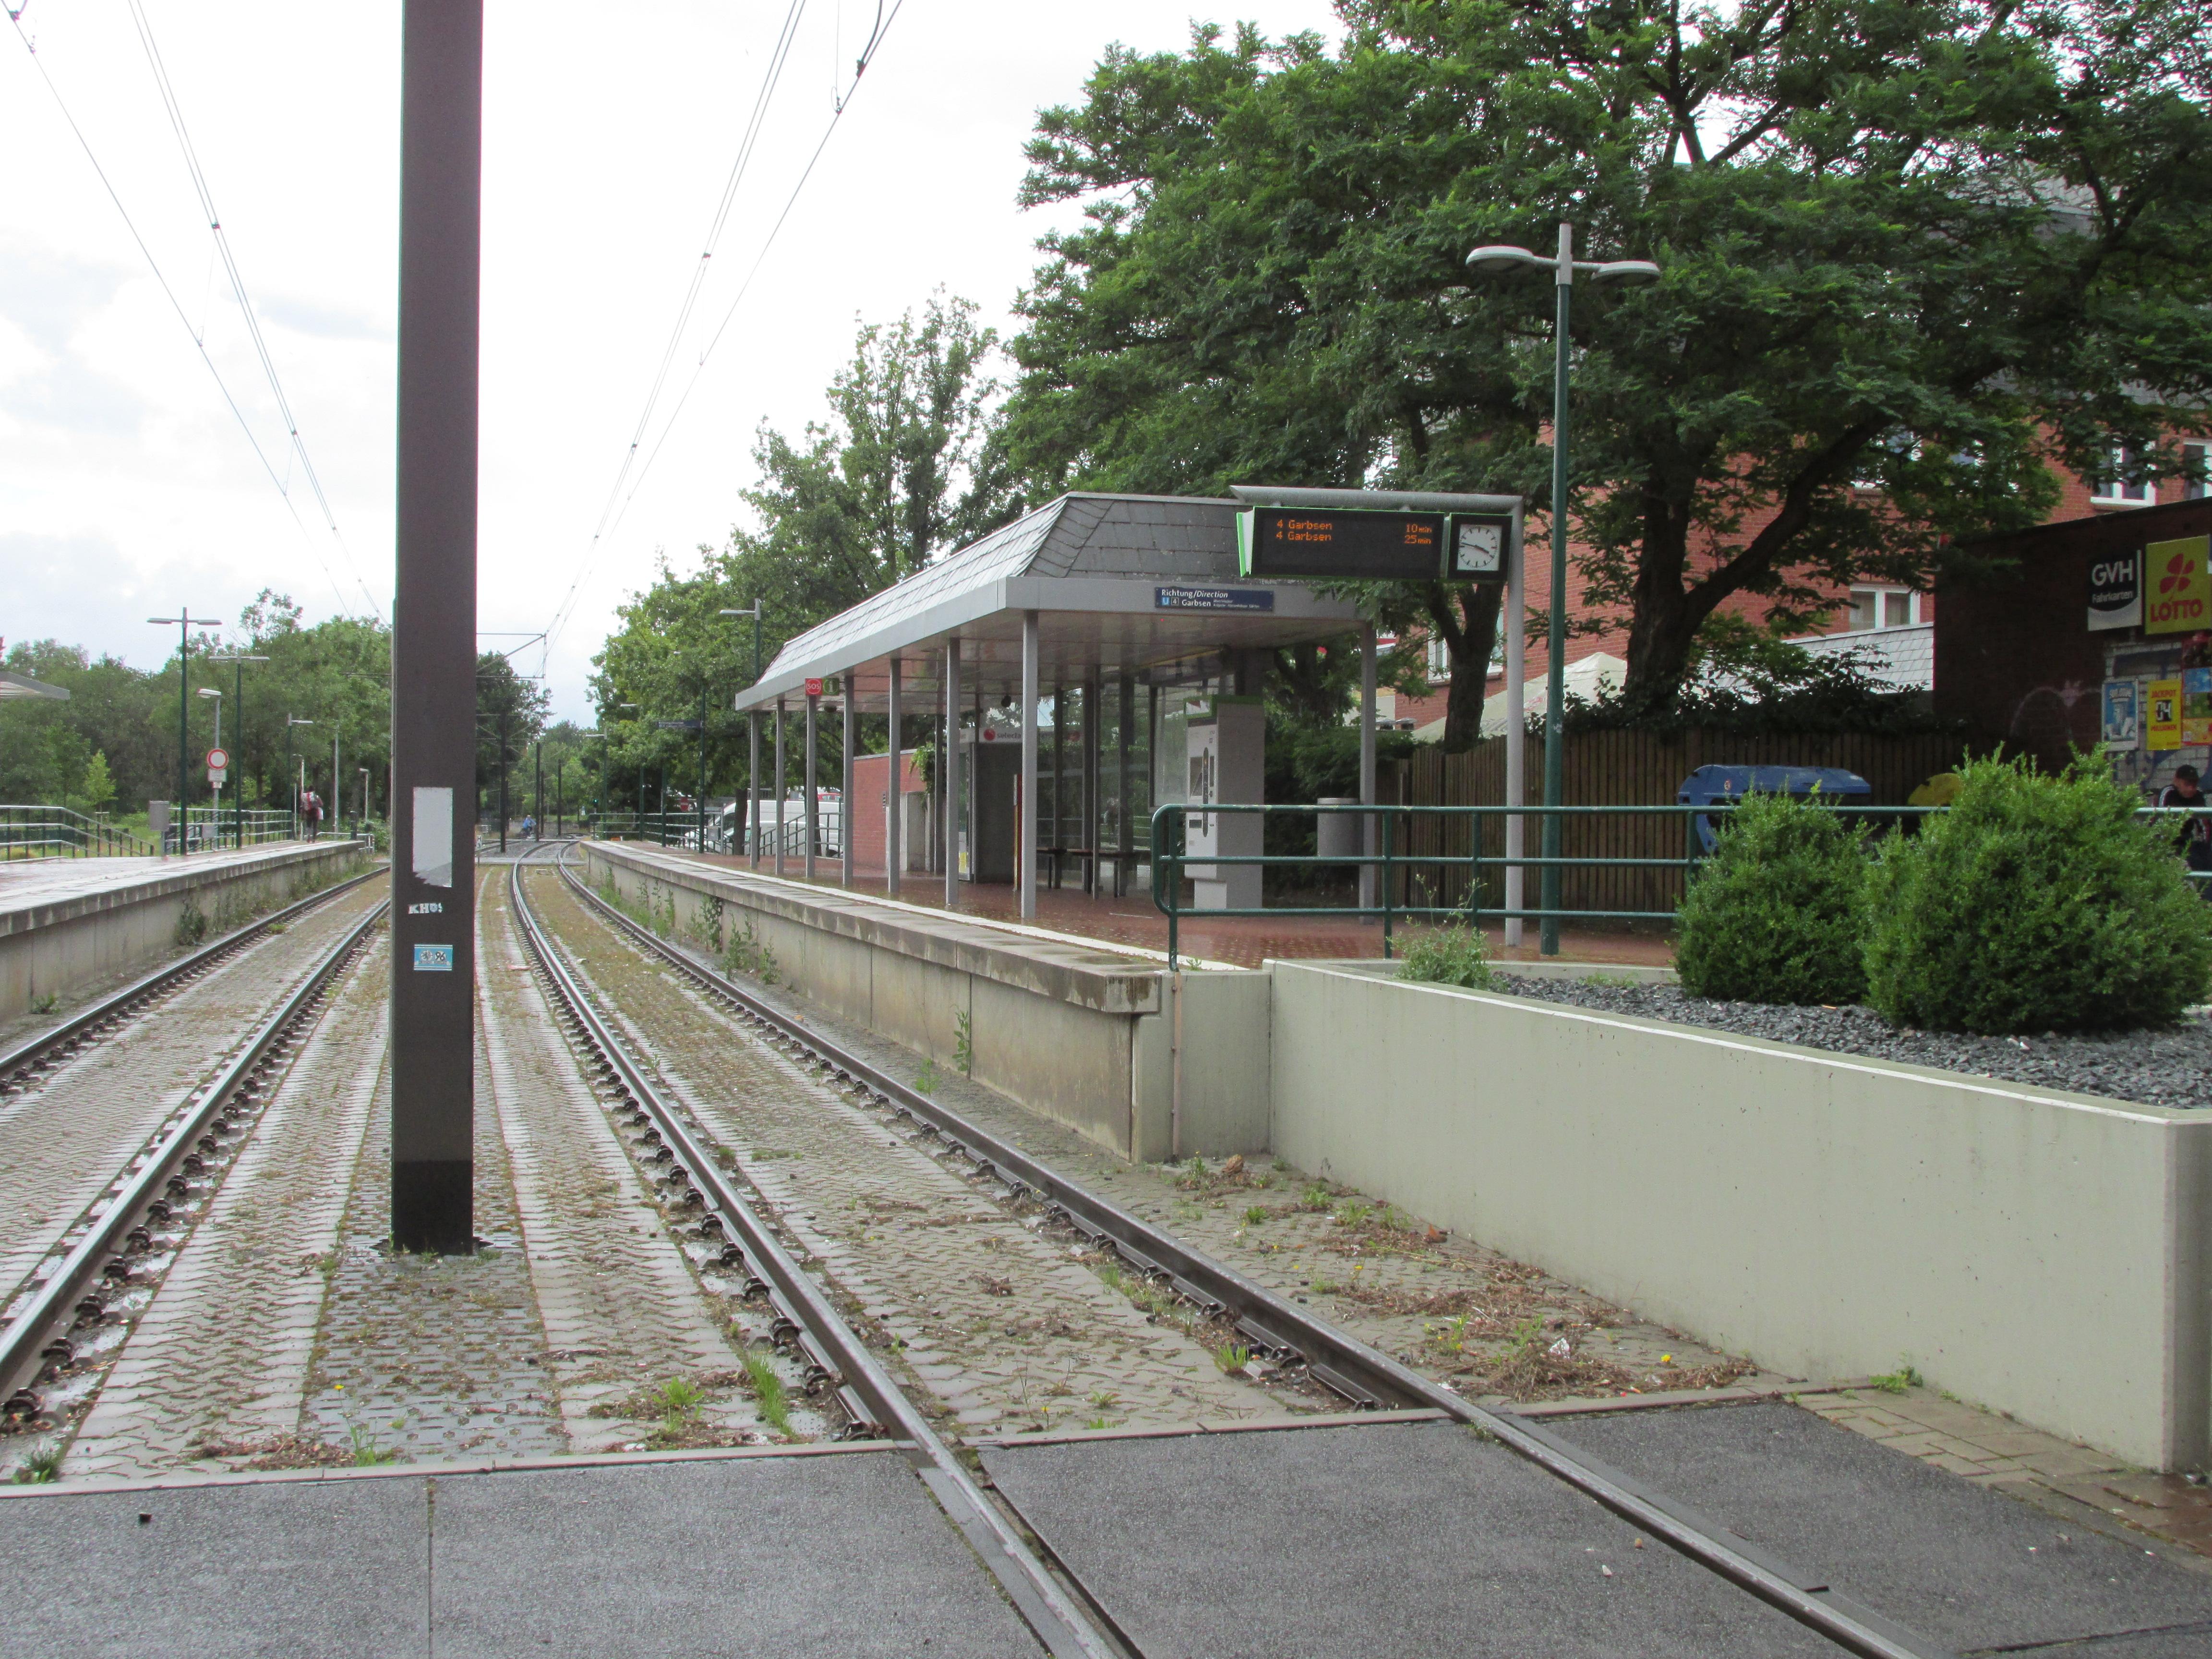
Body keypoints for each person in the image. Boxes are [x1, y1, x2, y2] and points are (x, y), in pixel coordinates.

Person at [2159, 764, 2212, 896]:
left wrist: (2207, 848)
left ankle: (2207, 899)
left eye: (2194, 784)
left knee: (2205, 859)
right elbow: (2160, 824)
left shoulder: (2198, 795)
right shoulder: (2169, 793)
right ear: (2177, 781)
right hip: (2168, 843)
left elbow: (2205, 825)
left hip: (2187, 841)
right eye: (2187, 784)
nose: (2191, 789)